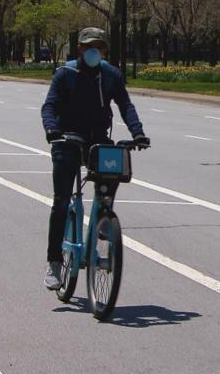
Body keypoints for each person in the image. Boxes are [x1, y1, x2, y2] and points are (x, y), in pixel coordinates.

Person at [40, 27, 150, 290]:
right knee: (62, 200)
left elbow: (125, 106)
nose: (94, 51)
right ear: (79, 48)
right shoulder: (65, 74)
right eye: (89, 46)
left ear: (104, 50)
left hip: (97, 139)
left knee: (113, 171)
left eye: (99, 47)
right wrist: (52, 129)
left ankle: (103, 220)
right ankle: (54, 262)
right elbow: (50, 106)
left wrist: (138, 133)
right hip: (66, 139)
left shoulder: (110, 75)